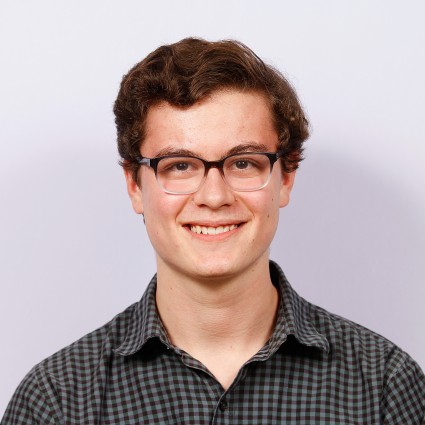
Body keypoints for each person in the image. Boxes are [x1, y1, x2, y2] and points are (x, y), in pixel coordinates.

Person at [2, 37, 424, 424]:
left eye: (243, 163)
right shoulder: (56, 402)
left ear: (286, 178)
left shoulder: (384, 387)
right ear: (135, 186)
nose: (214, 196)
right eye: (180, 166)